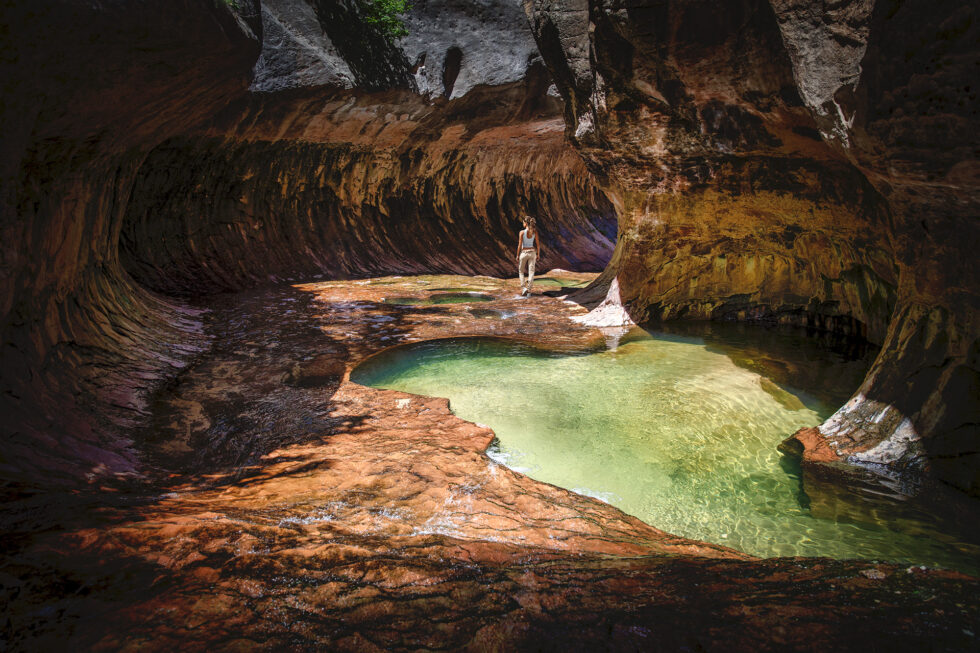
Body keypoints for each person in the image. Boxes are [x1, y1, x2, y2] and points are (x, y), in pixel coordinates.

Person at [516, 215, 540, 296]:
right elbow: (538, 245)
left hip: (524, 253)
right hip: (533, 253)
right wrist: (538, 254)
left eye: (523, 222)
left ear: (526, 223)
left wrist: (517, 255)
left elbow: (519, 245)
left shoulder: (521, 232)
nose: (522, 224)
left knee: (521, 271)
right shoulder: (534, 232)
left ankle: (524, 288)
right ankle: (529, 290)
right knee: (531, 272)